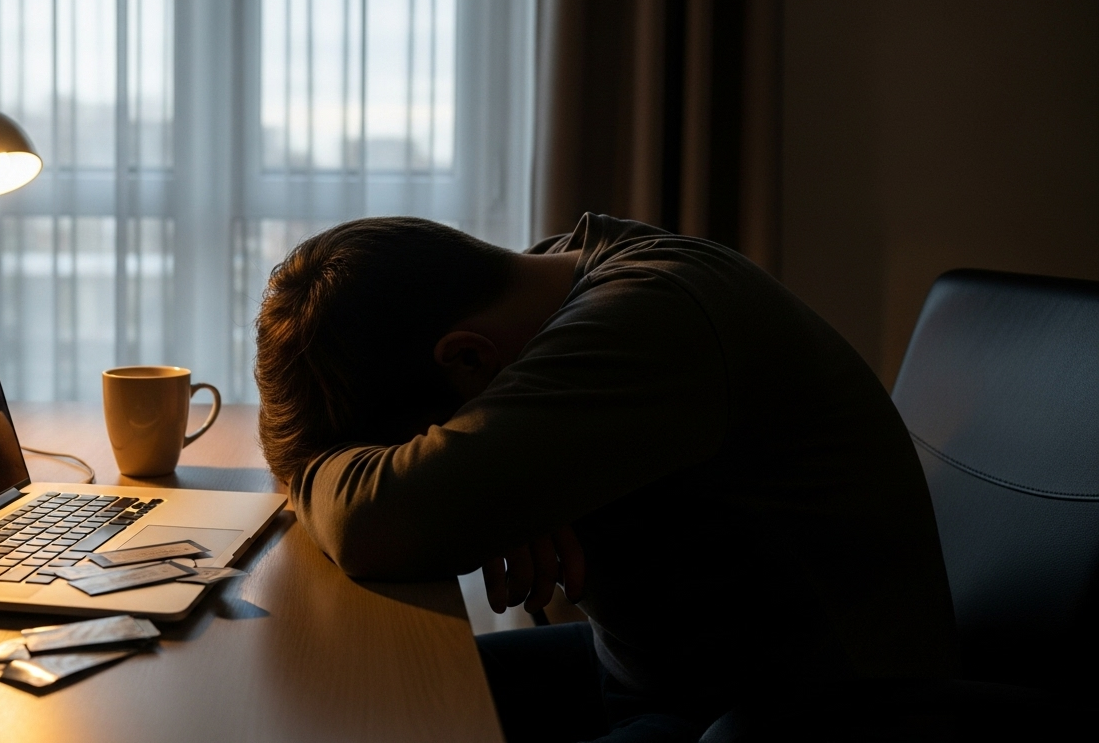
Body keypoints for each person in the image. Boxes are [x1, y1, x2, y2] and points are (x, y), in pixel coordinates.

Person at [254, 213, 956, 742]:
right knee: (359, 705)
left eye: (417, 446)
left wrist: (409, 482)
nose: (436, 450)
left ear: (468, 358)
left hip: (805, 714)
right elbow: (414, 504)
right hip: (656, 672)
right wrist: (495, 479)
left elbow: (375, 520)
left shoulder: (652, 316)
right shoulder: (557, 279)